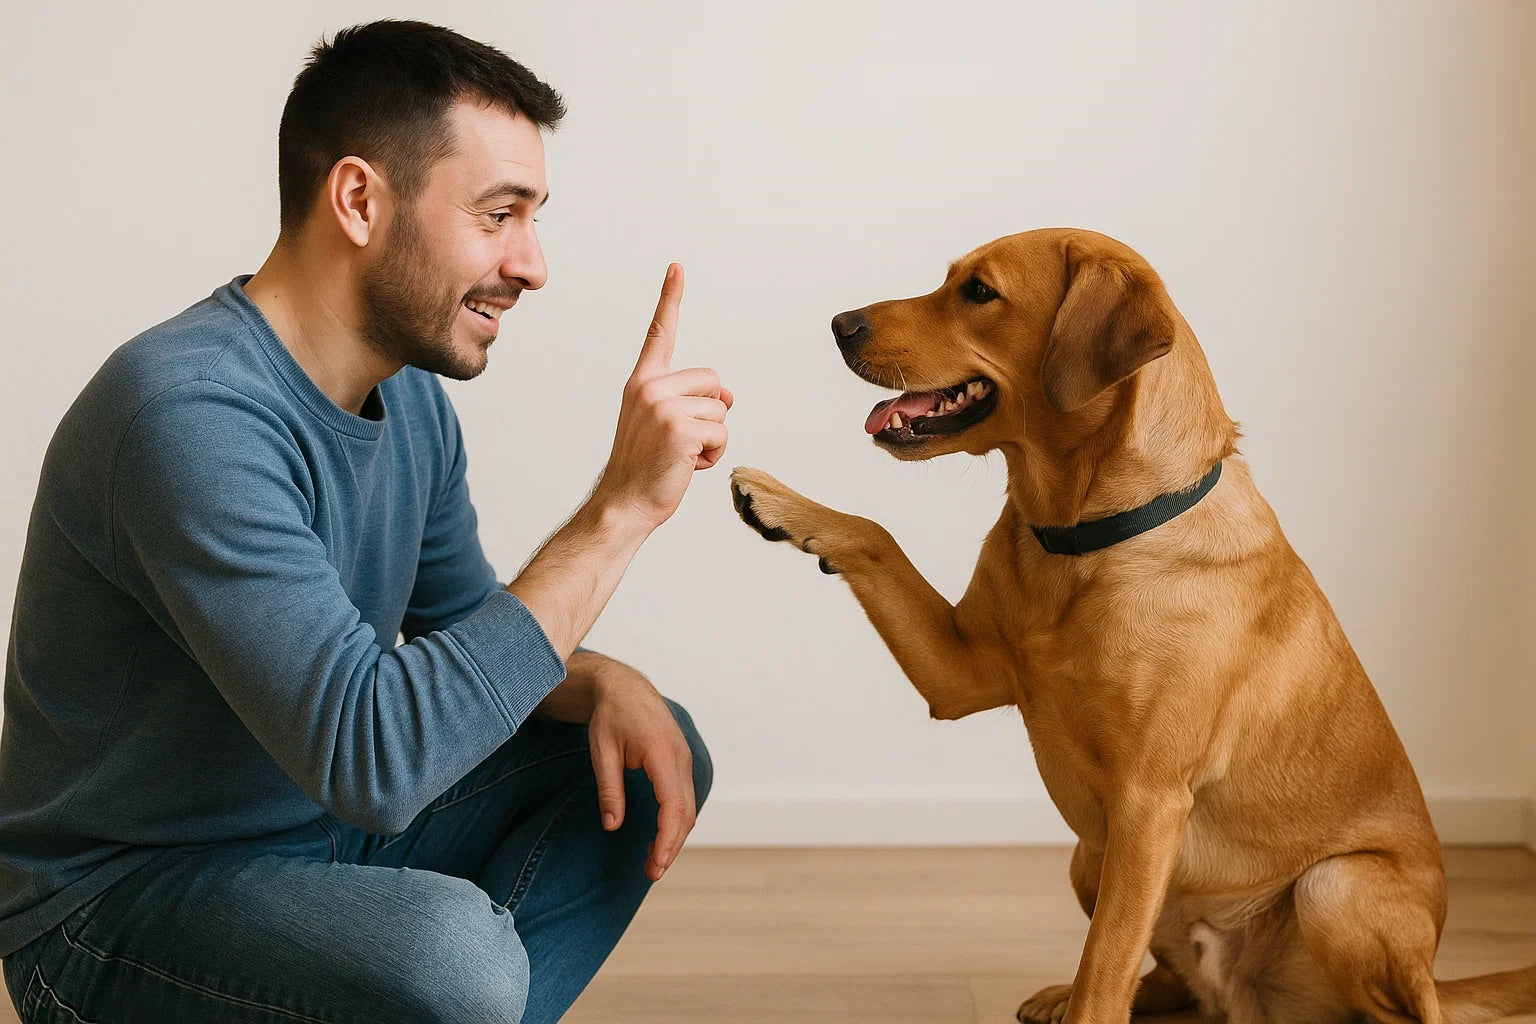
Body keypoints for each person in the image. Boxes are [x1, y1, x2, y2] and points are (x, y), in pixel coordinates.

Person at [0, 19, 731, 1024]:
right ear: (358, 200)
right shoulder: (187, 414)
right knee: (451, 963)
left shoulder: (413, 402)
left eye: (535, 217)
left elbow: (467, 628)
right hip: (116, 909)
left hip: (315, 837)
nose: (533, 264)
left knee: (647, 751)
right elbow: (378, 761)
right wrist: (618, 512)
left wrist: (608, 680)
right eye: (499, 214)